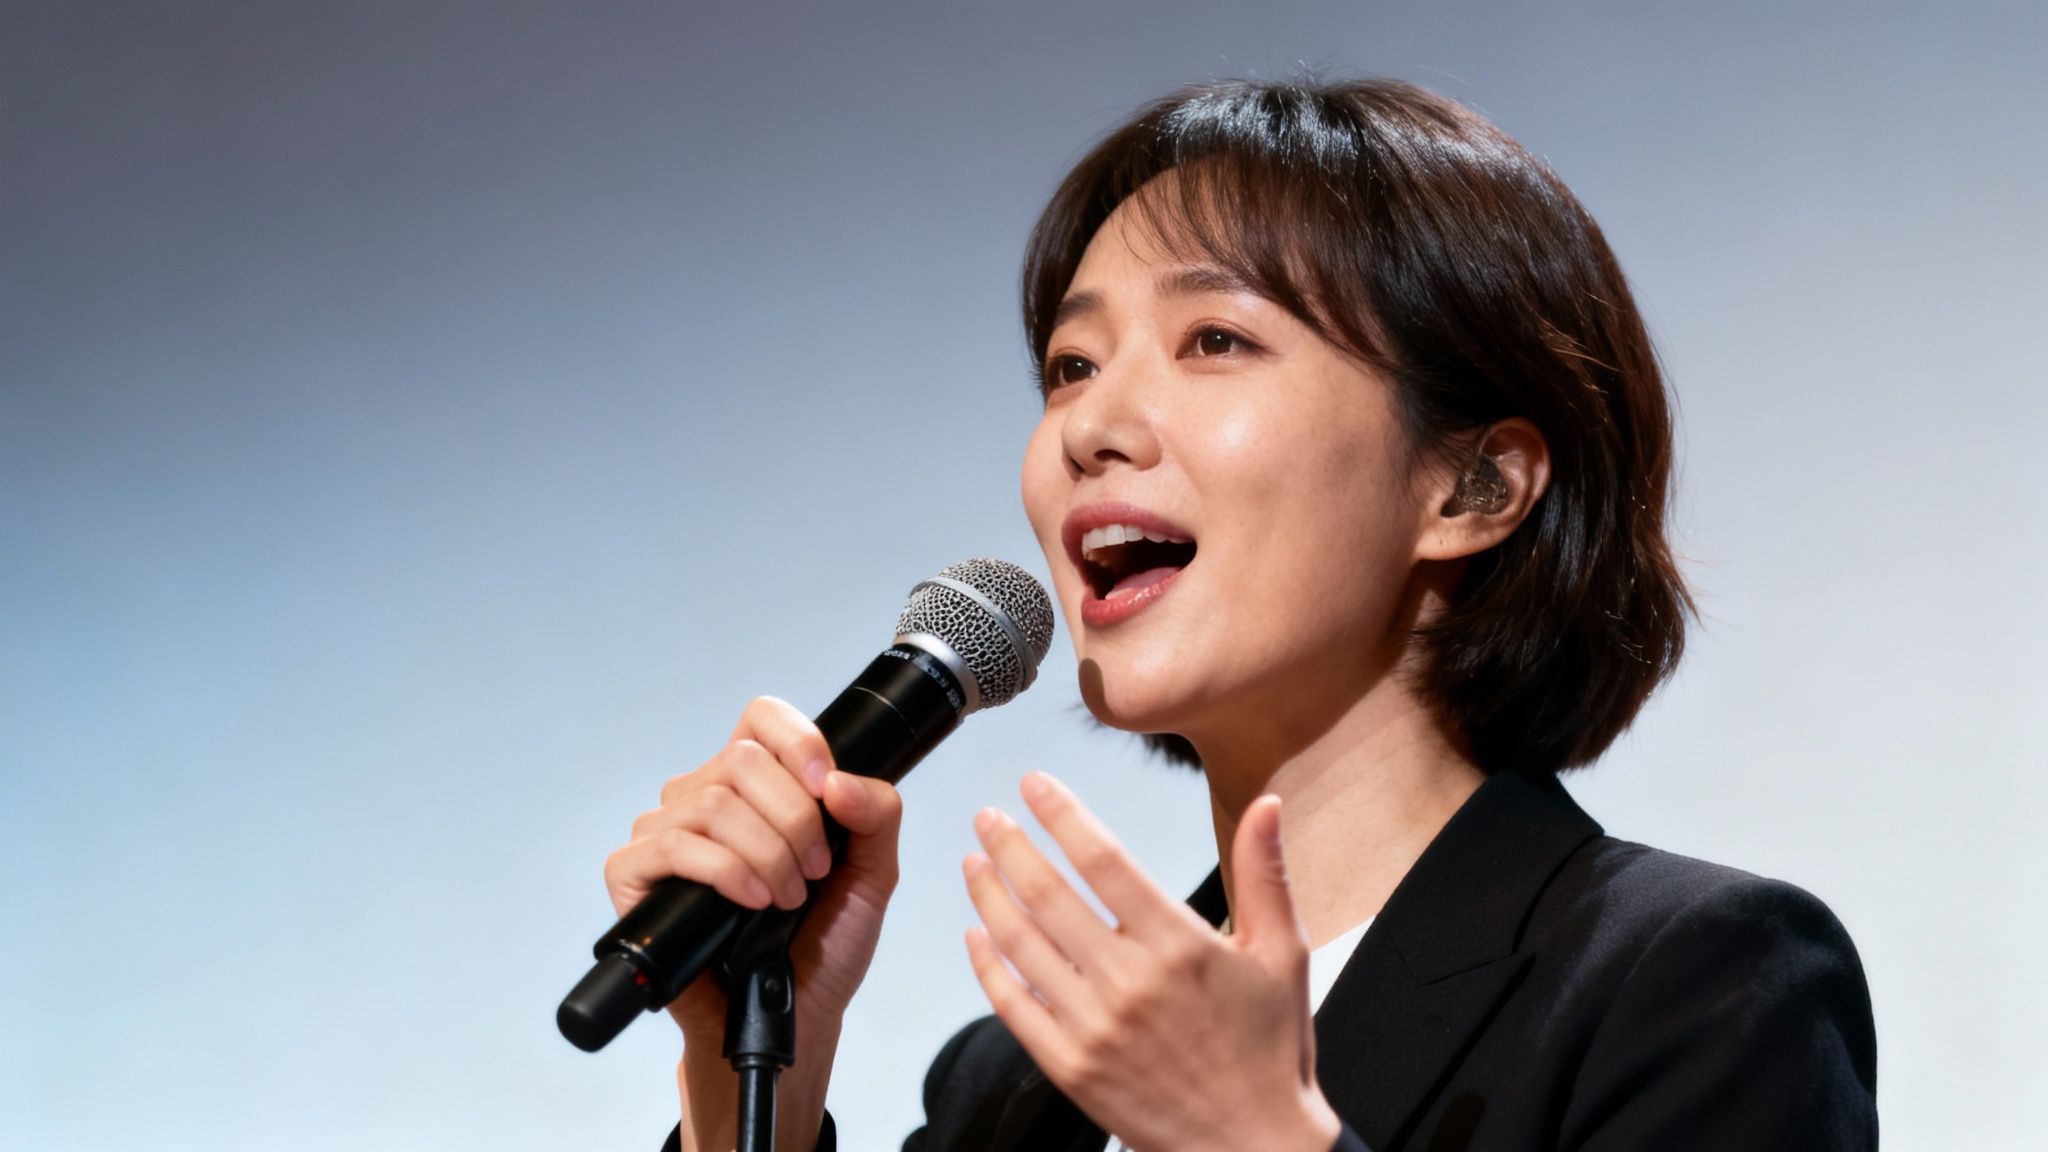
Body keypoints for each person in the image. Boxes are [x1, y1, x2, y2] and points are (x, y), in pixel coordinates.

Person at [606, 77, 1879, 1152]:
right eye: (1070, 366)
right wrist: (749, 1078)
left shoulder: (1693, 983)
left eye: (1213, 339)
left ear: (1472, 486)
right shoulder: (1014, 1090)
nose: (1090, 428)